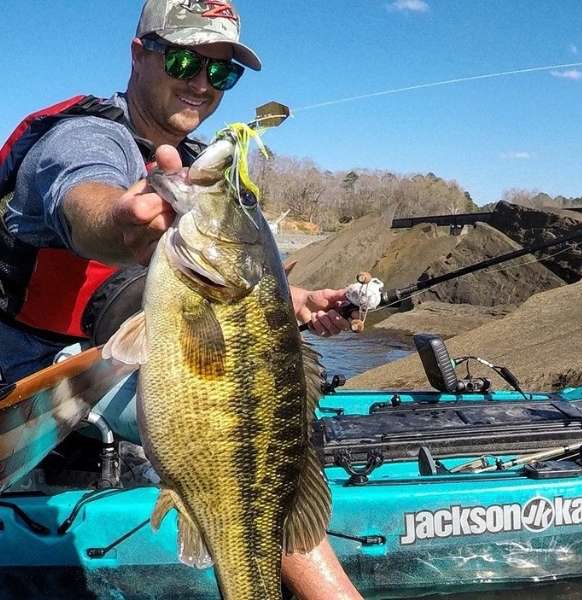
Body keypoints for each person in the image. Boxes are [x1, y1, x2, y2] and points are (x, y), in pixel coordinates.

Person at [0, 1, 359, 598]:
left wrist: (295, 302)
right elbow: (82, 196)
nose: (201, 84)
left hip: (125, 360)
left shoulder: (193, 174)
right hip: (34, 373)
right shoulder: (83, 135)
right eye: (186, 59)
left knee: (259, 432)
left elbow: (223, 277)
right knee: (244, 435)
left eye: (222, 73)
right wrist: (120, 219)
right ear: (139, 55)